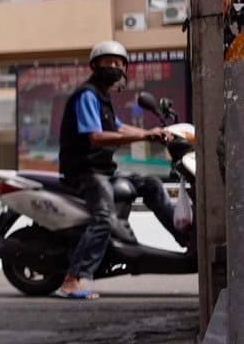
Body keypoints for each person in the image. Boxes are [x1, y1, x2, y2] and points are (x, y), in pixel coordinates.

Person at [56, 41, 182, 300]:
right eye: (108, 63)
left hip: (103, 170)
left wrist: (152, 135)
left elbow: (120, 127)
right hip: (86, 171)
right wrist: (143, 136)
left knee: (151, 184)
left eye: (119, 64)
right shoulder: (87, 95)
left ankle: (187, 239)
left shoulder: (103, 98)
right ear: (94, 66)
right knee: (103, 217)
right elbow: (96, 137)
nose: (114, 67)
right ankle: (74, 278)